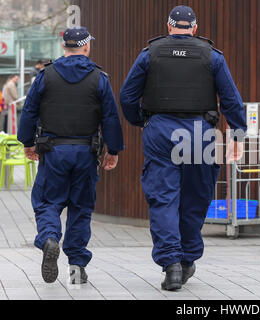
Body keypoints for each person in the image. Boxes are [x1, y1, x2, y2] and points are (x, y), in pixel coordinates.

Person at [120, 5, 247, 291]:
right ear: (194, 27)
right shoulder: (212, 56)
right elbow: (230, 100)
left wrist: (143, 121)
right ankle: (188, 258)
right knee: (196, 197)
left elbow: (127, 95)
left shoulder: (149, 54)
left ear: (169, 26)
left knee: (163, 199)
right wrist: (237, 135)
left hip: (161, 130)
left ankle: (171, 265)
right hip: (200, 133)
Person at [18, 27, 125, 285]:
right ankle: (76, 267)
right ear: (86, 47)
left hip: (53, 151)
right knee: (81, 208)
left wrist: (27, 142)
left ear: (63, 46)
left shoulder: (45, 76)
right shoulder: (99, 78)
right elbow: (110, 116)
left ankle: (49, 238)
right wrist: (113, 149)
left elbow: (29, 111)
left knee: (47, 202)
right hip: (86, 153)